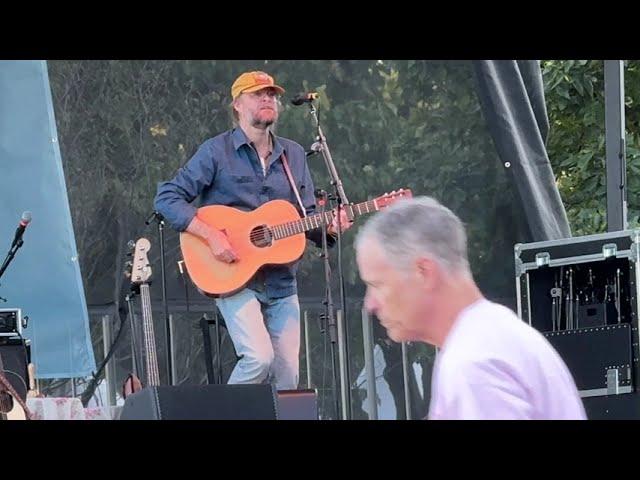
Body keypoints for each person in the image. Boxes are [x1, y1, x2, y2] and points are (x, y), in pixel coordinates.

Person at [154, 71, 351, 390]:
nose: (267, 99)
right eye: (258, 94)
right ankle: (224, 413)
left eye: (272, 94)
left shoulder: (294, 155)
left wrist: (329, 226)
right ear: (237, 105)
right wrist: (211, 235)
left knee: (288, 378)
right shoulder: (215, 152)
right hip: (231, 276)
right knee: (259, 358)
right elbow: (166, 198)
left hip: (281, 282)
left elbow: (306, 217)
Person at [355, 195, 586, 420]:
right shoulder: (497, 334)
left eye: (377, 284)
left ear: (423, 272)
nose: (370, 304)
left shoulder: (473, 365)